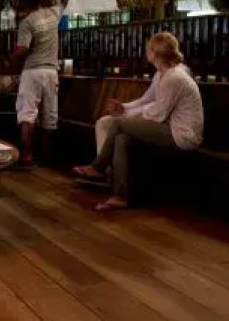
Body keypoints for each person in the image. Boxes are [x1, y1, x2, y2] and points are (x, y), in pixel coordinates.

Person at [73, 32, 203, 211]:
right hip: (170, 128)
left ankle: (98, 167)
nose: (146, 51)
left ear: (155, 52)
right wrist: (126, 110)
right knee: (122, 138)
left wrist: (126, 116)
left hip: (183, 135)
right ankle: (120, 195)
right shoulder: (163, 74)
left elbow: (157, 114)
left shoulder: (174, 77)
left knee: (118, 124)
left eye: (149, 48)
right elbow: (149, 103)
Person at [10, 0, 74, 167]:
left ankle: (27, 156)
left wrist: (10, 58)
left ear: (25, 4)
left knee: (27, 115)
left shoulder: (27, 22)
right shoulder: (53, 13)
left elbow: (23, 49)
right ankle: (47, 157)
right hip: (51, 72)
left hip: (32, 72)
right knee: (50, 117)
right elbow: (63, 3)